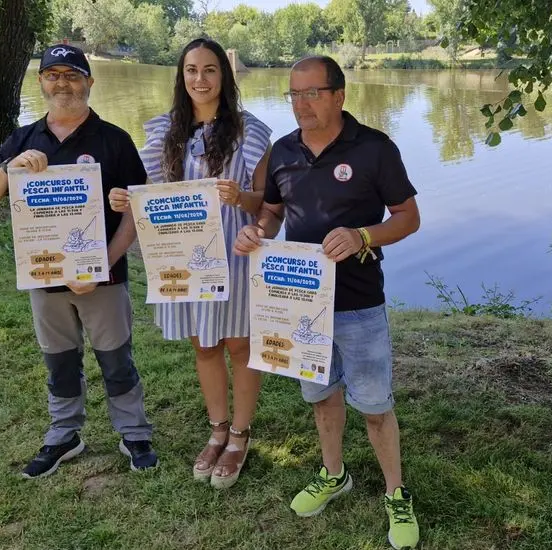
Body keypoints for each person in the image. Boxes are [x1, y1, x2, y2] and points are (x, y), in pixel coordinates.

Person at [234, 55, 422, 549]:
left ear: (339, 95)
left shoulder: (375, 148)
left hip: (359, 301)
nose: (301, 104)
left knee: (375, 405)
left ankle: (396, 493)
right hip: (300, 303)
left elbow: (408, 217)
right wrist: (257, 232)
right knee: (321, 396)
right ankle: (334, 474)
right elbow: (272, 213)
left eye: (311, 93)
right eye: (293, 94)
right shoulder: (281, 151)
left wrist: (363, 235)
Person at [0, 44, 157, 478]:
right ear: (41, 83)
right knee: (59, 361)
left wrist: (102, 265)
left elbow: (136, 212)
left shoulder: (115, 139)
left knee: (116, 359)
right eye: (52, 75)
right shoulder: (24, 139)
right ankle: (64, 433)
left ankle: (134, 433)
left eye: (72, 75)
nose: (62, 84)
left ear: (89, 82)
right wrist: (9, 169)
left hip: (102, 278)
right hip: (46, 276)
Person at [108, 37, 272, 489]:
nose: (200, 79)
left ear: (225, 76)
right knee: (204, 345)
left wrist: (242, 197)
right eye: (191, 70)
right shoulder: (163, 130)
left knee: (239, 346)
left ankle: (240, 435)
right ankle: (217, 429)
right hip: (186, 258)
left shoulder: (249, 130)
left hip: (236, 254)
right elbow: (150, 195)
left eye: (210, 70)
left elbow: (267, 203)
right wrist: (125, 198)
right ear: (181, 77)